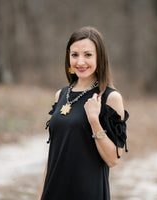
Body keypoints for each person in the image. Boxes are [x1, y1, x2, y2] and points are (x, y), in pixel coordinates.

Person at [38, 26, 129, 200]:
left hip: (87, 192)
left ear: (99, 58)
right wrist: (41, 195)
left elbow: (113, 160)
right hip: (53, 192)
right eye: (74, 55)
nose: (80, 62)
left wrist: (94, 121)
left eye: (88, 55)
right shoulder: (61, 95)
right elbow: (53, 155)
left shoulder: (110, 98)